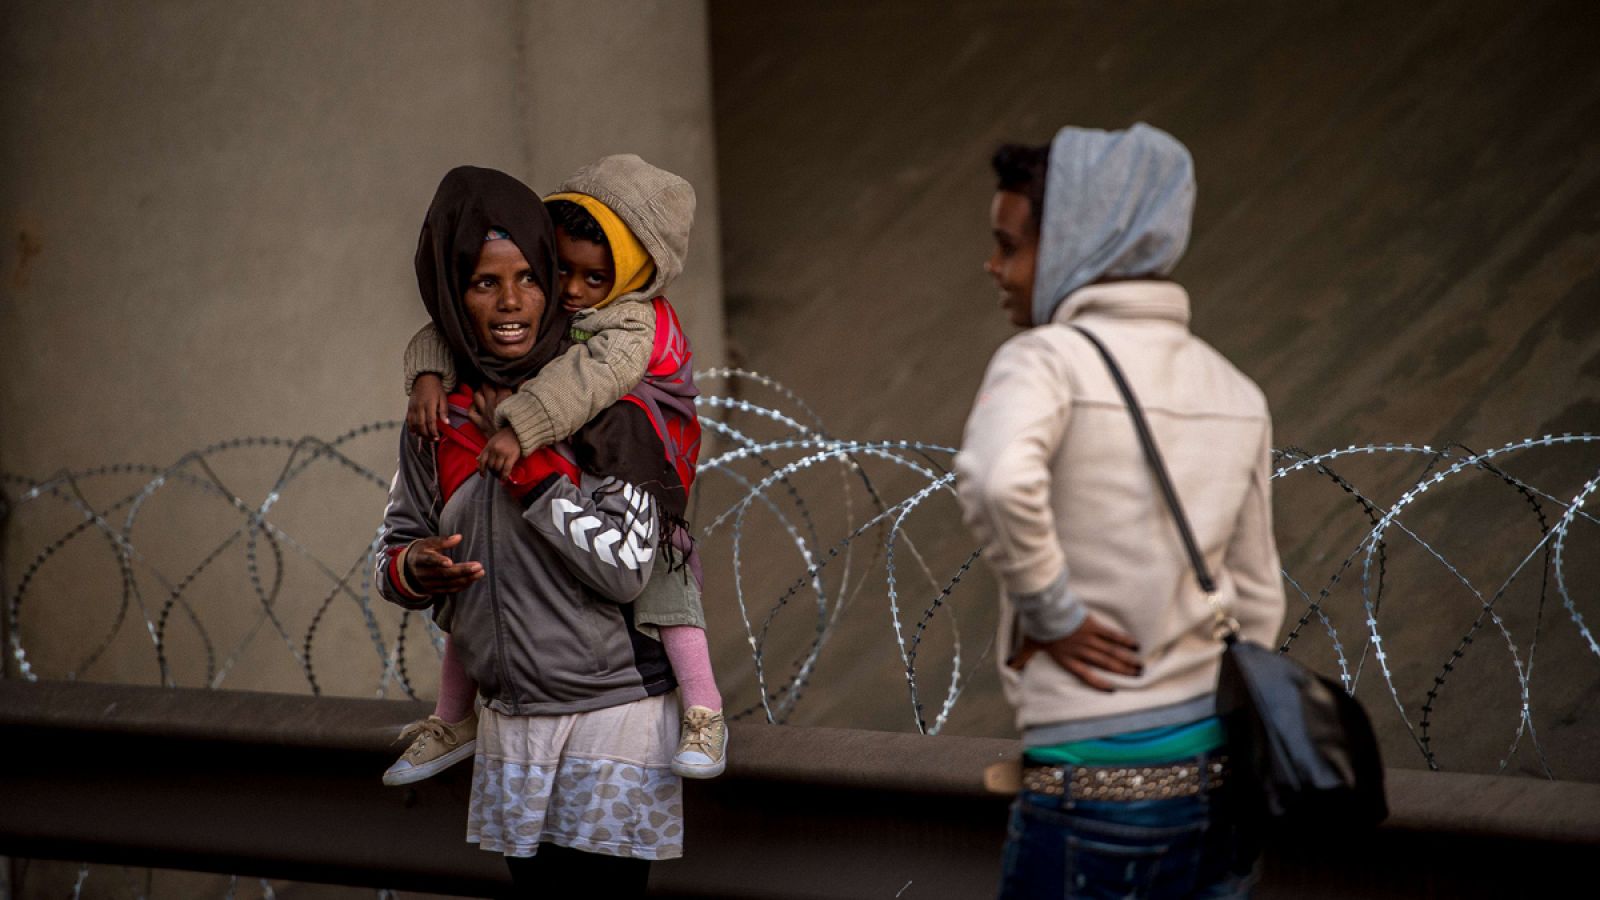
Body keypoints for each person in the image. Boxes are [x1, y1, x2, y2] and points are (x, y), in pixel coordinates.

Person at [955, 124, 1287, 899]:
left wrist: (1054, 613)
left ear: (1077, 239)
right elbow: (1258, 598)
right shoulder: (1235, 389)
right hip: (1217, 789)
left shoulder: (1046, 360)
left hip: (1091, 788)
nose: (993, 266)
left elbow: (997, 479)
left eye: (1009, 245)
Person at [376, 166, 692, 893]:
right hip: (510, 722)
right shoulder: (438, 418)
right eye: (484, 283)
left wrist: (535, 475)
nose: (512, 302)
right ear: (449, 293)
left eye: (529, 278)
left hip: (613, 713)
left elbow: (626, 569)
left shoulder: (612, 407)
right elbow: (391, 552)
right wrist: (414, 568)